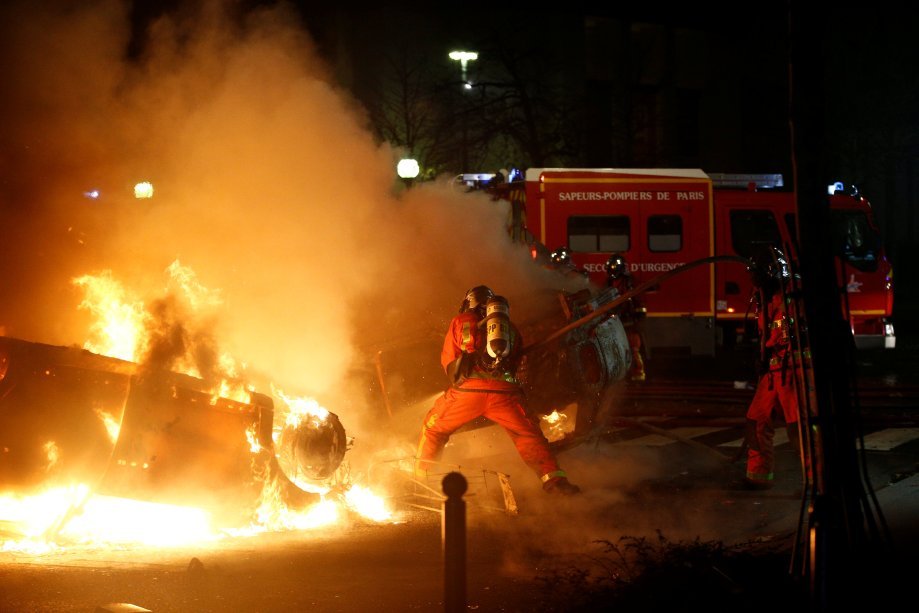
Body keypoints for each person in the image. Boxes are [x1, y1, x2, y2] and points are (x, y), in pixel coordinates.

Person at [415, 285, 581, 495]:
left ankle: (423, 480)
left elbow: (449, 362)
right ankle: (555, 481)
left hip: (467, 392)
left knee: (434, 429)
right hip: (505, 393)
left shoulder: (461, 321)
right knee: (528, 436)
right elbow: (518, 363)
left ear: (469, 303)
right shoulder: (509, 328)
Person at [741, 254, 808, 490]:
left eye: (756, 275)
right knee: (755, 421)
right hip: (774, 370)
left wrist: (768, 349)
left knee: (800, 428)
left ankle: (818, 481)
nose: (753, 281)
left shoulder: (793, 296)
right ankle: (758, 476)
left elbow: (785, 332)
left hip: (794, 370)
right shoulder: (764, 297)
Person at [605, 253, 646, 382]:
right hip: (615, 321)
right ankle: (620, 377)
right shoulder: (609, 282)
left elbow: (638, 300)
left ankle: (638, 375)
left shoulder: (629, 282)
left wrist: (637, 315)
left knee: (633, 348)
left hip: (629, 321)